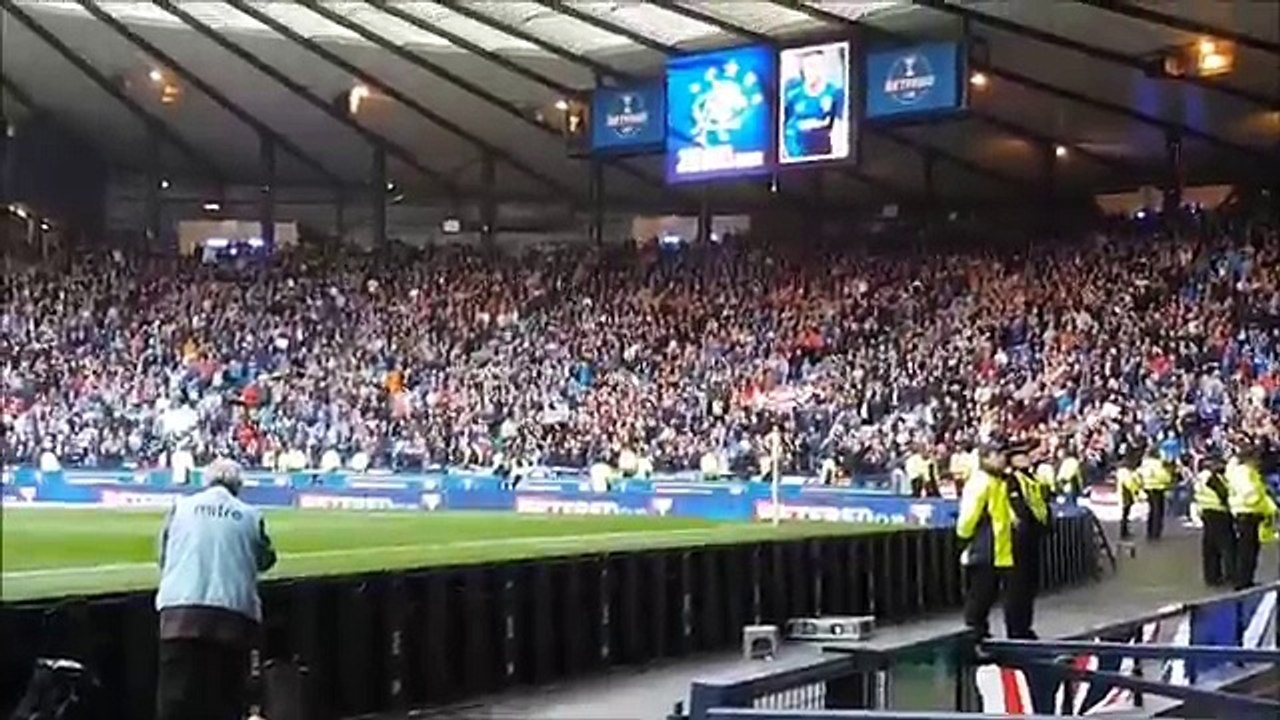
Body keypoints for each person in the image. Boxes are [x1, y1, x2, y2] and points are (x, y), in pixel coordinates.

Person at [155, 459, 277, 720]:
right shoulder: (251, 515)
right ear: (238, 486)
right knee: (226, 700)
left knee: (174, 699)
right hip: (232, 618)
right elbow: (266, 559)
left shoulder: (180, 508)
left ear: (206, 481)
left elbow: (163, 556)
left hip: (179, 615)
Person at [956, 439, 1017, 640]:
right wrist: (967, 540)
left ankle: (982, 637)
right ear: (985, 458)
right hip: (986, 550)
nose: (1003, 458)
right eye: (997, 455)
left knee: (987, 597)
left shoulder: (997, 481)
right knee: (979, 599)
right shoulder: (981, 482)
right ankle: (975, 639)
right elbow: (968, 519)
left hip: (998, 550)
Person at [1006, 442, 1050, 639]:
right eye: (1021, 455)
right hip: (1018, 539)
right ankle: (1016, 630)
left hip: (1033, 538)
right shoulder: (1011, 480)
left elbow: (1040, 503)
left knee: (1030, 585)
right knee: (1017, 586)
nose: (1026, 457)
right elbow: (1018, 507)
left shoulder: (1031, 479)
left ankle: (1026, 626)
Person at [1226, 445, 1277, 589]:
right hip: (1247, 514)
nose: (1259, 462)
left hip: (1250, 514)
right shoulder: (1243, 473)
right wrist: (1260, 500)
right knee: (1247, 551)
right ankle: (1243, 582)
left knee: (1250, 550)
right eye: (1256, 458)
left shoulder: (1247, 471)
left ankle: (1247, 580)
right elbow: (1251, 495)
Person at [1193, 456, 1235, 586]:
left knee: (1210, 547)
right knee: (1228, 546)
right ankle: (1232, 576)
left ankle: (1211, 577)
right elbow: (1223, 494)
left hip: (1206, 512)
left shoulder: (1200, 477)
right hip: (1219, 512)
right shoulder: (1212, 477)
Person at [1139, 451, 1172, 540]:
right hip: (1158, 488)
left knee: (1152, 509)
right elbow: (1163, 476)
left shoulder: (1144, 463)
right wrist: (1169, 477)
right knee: (1158, 510)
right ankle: (1156, 532)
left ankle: (1150, 531)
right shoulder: (1158, 464)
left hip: (1147, 487)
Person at [1116, 463, 1143, 541]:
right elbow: (1130, 484)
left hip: (1124, 496)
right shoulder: (1125, 473)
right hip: (1126, 496)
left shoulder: (1122, 472)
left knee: (1125, 514)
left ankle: (1124, 531)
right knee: (1125, 514)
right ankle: (1123, 532)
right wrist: (1137, 492)